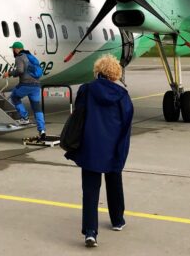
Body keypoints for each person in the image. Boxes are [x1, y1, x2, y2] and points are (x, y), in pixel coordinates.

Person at [65, 54, 134, 248]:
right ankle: (117, 219)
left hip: (90, 147)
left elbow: (79, 115)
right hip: (113, 147)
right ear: (115, 73)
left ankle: (90, 232)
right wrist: (122, 150)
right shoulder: (123, 95)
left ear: (98, 71)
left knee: (90, 190)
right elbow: (126, 124)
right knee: (114, 183)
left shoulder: (86, 90)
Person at [3, 41, 46, 139]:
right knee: (37, 108)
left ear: (16, 49)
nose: (13, 51)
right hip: (36, 85)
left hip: (26, 84)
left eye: (13, 49)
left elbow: (20, 70)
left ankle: (24, 117)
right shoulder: (31, 56)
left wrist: (9, 74)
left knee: (14, 97)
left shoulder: (19, 57)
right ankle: (42, 130)